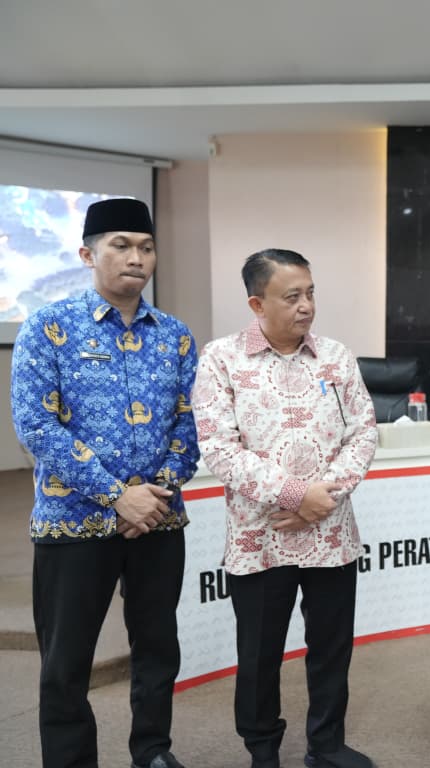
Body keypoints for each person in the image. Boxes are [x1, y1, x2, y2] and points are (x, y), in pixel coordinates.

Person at [11, 198, 199, 768]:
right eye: (121, 245)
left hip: (158, 520)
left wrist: (153, 496)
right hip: (73, 522)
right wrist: (118, 496)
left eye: (146, 247)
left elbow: (191, 423)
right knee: (66, 662)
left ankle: (153, 751)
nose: (136, 257)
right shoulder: (48, 327)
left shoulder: (175, 336)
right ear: (87, 254)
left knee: (158, 650)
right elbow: (36, 425)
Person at [191, 249, 378, 768]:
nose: (306, 306)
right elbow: (220, 448)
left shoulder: (336, 357)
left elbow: (363, 433)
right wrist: (297, 495)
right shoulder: (221, 359)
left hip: (331, 532)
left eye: (310, 293)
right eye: (292, 296)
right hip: (261, 536)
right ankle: (262, 749)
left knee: (331, 647)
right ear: (257, 303)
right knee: (259, 652)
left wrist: (323, 499)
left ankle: (327, 744)